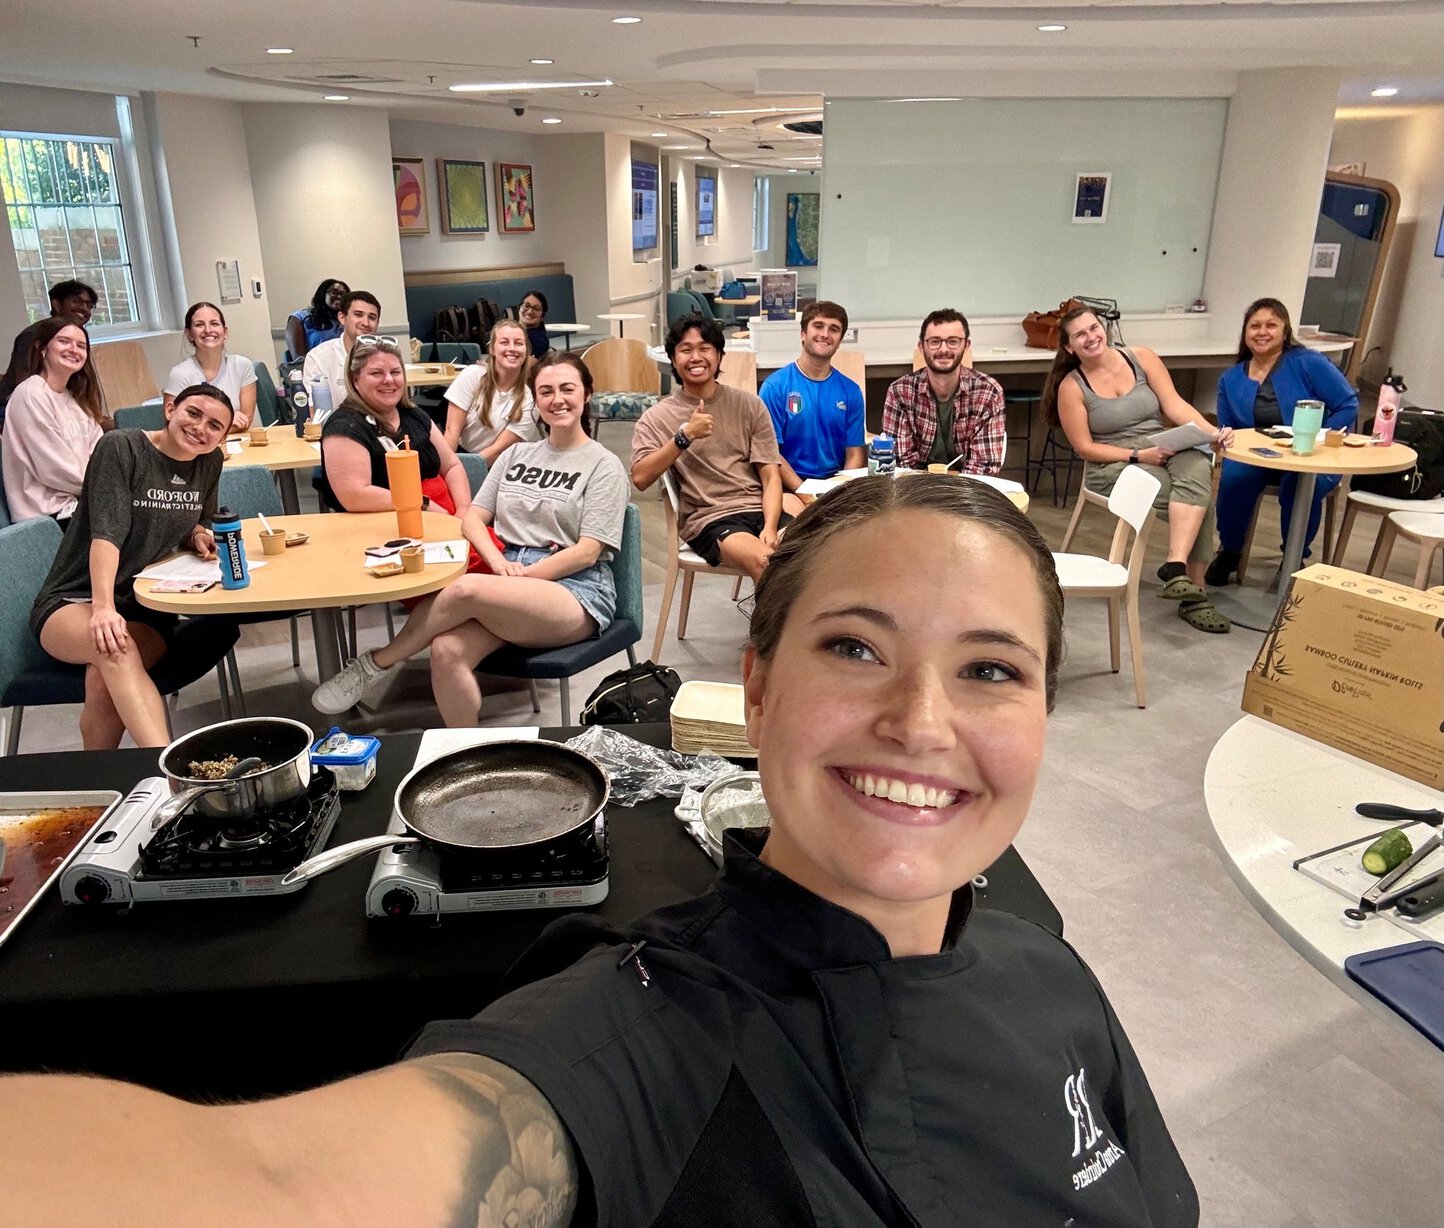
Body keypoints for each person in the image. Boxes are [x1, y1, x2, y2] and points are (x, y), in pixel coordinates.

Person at [0, 475, 1198, 1227]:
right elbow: (274, 1189)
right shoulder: (634, 1043)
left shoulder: (1058, 981)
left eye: (992, 668)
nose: (921, 723)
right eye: (855, 648)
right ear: (760, 691)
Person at [313, 351, 628, 722]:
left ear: (586, 394)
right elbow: (474, 519)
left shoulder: (603, 464)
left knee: (466, 589)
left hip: (575, 591)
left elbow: (588, 552)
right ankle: (469, 753)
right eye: (546, 392)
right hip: (509, 579)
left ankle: (373, 665)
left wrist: (517, 577)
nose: (557, 400)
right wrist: (498, 564)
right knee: (445, 649)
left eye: (567, 389)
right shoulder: (517, 455)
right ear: (535, 400)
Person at [28, 384, 231, 751]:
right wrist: (103, 608)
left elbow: (193, 521)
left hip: (144, 606)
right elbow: (107, 533)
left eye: (215, 425)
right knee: (115, 649)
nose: (202, 428)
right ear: (170, 409)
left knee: (105, 682)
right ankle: (171, 774)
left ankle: (100, 783)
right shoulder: (122, 447)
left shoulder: (208, 463)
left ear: (223, 437)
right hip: (76, 598)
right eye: (194, 413)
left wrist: (196, 536)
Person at [1041, 306, 1233, 634]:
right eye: (1080, 335)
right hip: (1114, 461)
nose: (1091, 337)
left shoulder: (1141, 357)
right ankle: (1195, 595)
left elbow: (1175, 406)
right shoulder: (1072, 387)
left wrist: (1212, 434)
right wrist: (1138, 454)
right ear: (1070, 348)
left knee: (1198, 464)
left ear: (1104, 328)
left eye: (1094, 328)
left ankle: (1175, 566)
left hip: (1162, 443)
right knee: (1197, 499)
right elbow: (1086, 448)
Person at [1206, 297, 1359, 586]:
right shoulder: (1230, 379)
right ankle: (1230, 552)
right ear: (1245, 333)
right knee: (1234, 479)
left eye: (1271, 325)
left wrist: (1320, 437)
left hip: (1310, 456)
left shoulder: (1309, 363)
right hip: (1261, 456)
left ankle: (1294, 558)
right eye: (1255, 326)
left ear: (1285, 330)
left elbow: (1348, 404)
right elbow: (1229, 429)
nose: (1262, 332)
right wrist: (1221, 440)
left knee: (1299, 483)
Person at [631, 313, 786, 582]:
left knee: (817, 555)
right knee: (767, 563)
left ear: (719, 356)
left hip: (760, 509)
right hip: (711, 519)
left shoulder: (749, 405)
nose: (696, 357)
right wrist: (685, 436)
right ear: (672, 359)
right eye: (686, 350)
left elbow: (771, 476)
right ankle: (780, 626)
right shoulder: (656, 418)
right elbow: (641, 478)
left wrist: (771, 527)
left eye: (705, 348)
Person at [318, 334, 469, 516]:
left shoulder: (414, 415)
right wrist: (425, 506)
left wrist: (463, 511)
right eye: (376, 373)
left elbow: (452, 466)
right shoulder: (345, 427)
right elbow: (355, 495)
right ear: (355, 380)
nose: (389, 380)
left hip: (445, 515)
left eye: (395, 372)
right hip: (387, 526)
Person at [758, 299, 866, 512]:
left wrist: (837, 490)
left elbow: (854, 454)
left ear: (839, 340)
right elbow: (771, 454)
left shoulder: (851, 391)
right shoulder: (775, 387)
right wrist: (804, 491)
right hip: (789, 487)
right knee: (805, 534)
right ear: (802, 334)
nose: (825, 334)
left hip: (834, 486)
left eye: (834, 329)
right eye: (818, 326)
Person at [1, 317, 107, 525]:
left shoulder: (77, 400)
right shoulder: (31, 394)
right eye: (64, 341)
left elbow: (101, 451)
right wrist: (108, 486)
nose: (74, 349)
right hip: (46, 515)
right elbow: (54, 469)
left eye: (81, 346)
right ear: (42, 348)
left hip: (81, 499)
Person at [882, 308, 1005, 473]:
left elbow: (982, 468)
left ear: (966, 345)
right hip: (916, 487)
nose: (944, 349)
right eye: (934, 341)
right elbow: (900, 464)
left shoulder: (988, 393)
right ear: (921, 346)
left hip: (967, 488)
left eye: (953, 341)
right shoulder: (899, 392)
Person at [0, 278, 99, 427]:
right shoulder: (34, 334)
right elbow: (23, 382)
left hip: (61, 408)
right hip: (19, 412)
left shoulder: (80, 335)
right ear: (56, 304)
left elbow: (85, 384)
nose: (84, 308)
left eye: (89, 305)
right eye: (77, 301)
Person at [441, 319, 540, 463]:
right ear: (492, 349)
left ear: (526, 351)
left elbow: (496, 451)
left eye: (518, 343)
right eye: (504, 342)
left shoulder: (529, 402)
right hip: (459, 456)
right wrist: (448, 470)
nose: (512, 348)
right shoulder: (472, 375)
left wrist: (467, 471)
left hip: (495, 464)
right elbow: (451, 431)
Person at [162, 302, 258, 432]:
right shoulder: (179, 374)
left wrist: (207, 426)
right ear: (189, 334)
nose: (208, 330)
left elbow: (245, 421)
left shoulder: (242, 366)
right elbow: (174, 426)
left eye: (214, 323)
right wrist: (227, 421)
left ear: (225, 332)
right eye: (199, 325)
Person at [302, 290, 381, 413]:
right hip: (334, 427)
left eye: (372, 317)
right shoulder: (318, 358)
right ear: (342, 318)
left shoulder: (385, 355)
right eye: (358, 314)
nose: (365, 323)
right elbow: (313, 411)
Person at [284, 278, 348, 360]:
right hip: (312, 369)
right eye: (334, 293)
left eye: (343, 294)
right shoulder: (300, 318)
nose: (339, 297)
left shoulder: (347, 320)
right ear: (323, 294)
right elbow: (299, 360)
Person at [517, 289, 551, 357]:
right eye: (526, 306)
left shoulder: (538, 340)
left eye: (536, 309)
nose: (529, 311)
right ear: (519, 308)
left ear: (542, 317)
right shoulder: (512, 330)